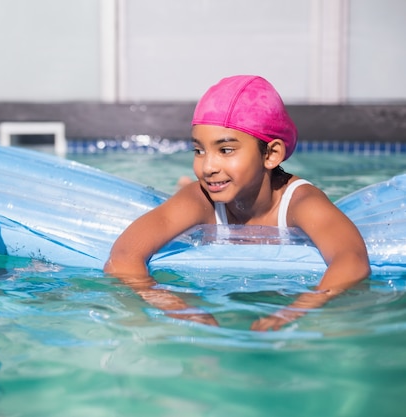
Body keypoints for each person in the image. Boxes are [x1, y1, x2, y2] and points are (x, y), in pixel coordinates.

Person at [104, 75, 371, 331]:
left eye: (226, 150)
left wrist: (295, 310)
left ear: (271, 154)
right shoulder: (201, 198)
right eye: (199, 150)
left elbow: (352, 260)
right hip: (201, 203)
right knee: (186, 190)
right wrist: (173, 305)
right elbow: (124, 255)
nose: (208, 166)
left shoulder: (300, 202)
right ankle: (182, 183)